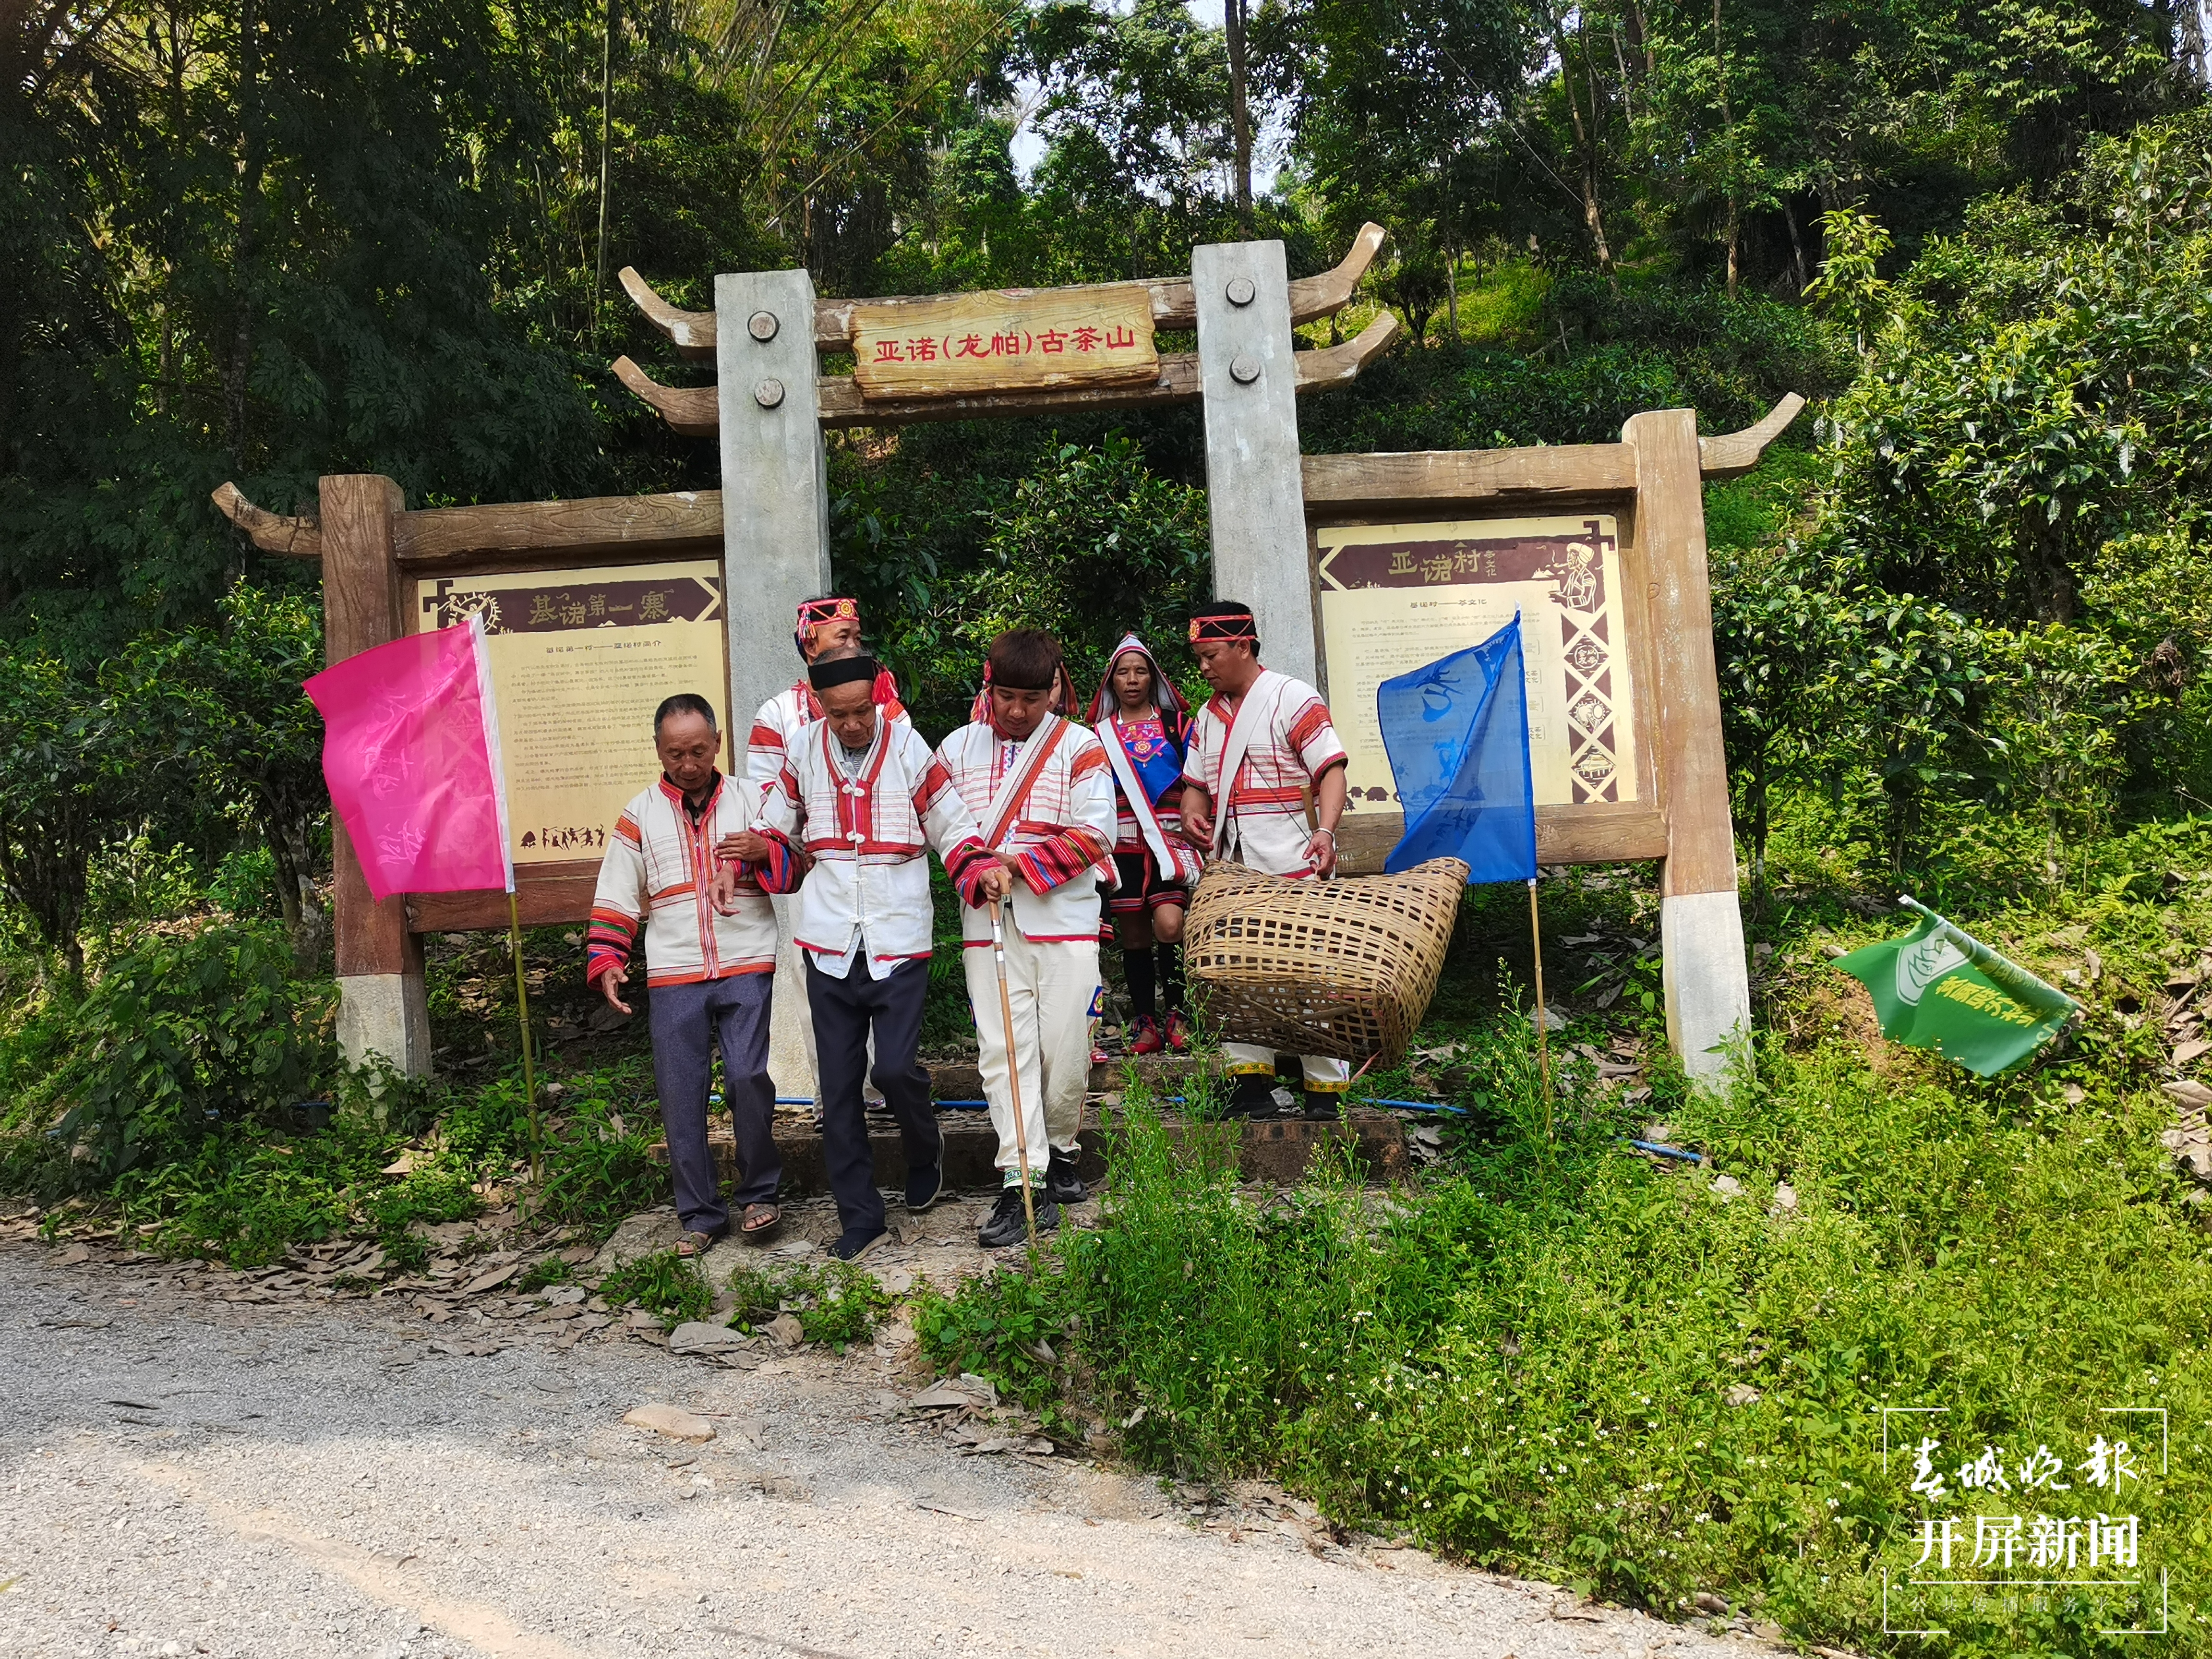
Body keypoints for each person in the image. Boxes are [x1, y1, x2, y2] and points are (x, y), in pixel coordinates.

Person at [730, 646, 1010, 1261]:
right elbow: (779, 831)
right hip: (828, 939)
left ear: (878, 697)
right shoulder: (802, 751)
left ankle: (923, 1141)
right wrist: (761, 849)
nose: (852, 725)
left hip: (898, 936)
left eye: (862, 711)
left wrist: (980, 867)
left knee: (891, 1069)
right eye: (839, 715)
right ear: (820, 706)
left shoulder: (911, 749)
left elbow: (952, 826)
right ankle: (861, 1216)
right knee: (838, 1090)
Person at [938, 630, 1118, 1248]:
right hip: (987, 921)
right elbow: (943, 824)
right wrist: (973, 867)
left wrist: (1013, 868)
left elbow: (1097, 833)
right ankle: (1022, 1180)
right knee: (1003, 1051)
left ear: (1055, 691)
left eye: (1030, 698)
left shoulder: (1082, 747)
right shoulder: (956, 748)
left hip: (1064, 917)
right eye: (1004, 696)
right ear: (988, 688)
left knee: (1066, 1047)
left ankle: (1062, 1148)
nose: (1016, 711)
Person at [586, 693, 783, 1256]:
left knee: (749, 1077)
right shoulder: (640, 812)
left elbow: (794, 856)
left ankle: (759, 1195)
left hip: (748, 958)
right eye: (676, 753)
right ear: (659, 751)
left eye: (699, 750)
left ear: (718, 744)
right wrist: (608, 958)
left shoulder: (754, 800)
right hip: (674, 970)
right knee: (680, 1093)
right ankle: (699, 1215)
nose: (689, 763)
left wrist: (762, 850)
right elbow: (616, 895)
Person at [1176, 601, 1353, 1119]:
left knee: (1312, 974)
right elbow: (1195, 788)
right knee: (1236, 975)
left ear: (1243, 645)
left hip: (1296, 862)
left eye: (1210, 655)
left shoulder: (1292, 697)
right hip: (1234, 871)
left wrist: (1326, 831)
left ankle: (1325, 1090)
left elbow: (1332, 771)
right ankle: (1249, 1085)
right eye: (1198, 658)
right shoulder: (1206, 719)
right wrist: (1193, 815)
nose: (1204, 667)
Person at [746, 594, 911, 1115]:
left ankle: (882, 1085)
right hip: (814, 871)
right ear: (809, 641)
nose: (853, 643)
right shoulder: (777, 712)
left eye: (856, 635)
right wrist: (802, 848)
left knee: (881, 969)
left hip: (879, 869)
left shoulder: (884, 700)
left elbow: (909, 774)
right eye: (842, 635)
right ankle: (832, 1094)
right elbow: (765, 794)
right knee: (811, 974)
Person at [1085, 633, 1202, 1055]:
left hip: (1170, 842)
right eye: (1123, 672)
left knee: (1170, 925)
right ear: (1111, 681)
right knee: (1134, 936)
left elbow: (1197, 776)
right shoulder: (1098, 735)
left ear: (1153, 678)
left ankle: (1178, 1013)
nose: (1132, 679)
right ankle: (1145, 1022)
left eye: (1140, 671)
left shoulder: (1177, 726)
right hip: (1124, 845)